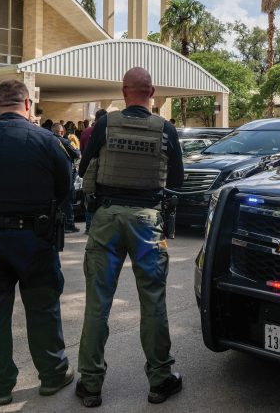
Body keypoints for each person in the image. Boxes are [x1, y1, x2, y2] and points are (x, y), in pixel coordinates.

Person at [0, 80, 74, 405]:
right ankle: (52, 375)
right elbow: (66, 190)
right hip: (35, 239)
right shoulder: (47, 140)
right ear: (27, 104)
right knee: (43, 308)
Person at [76, 67, 184, 407]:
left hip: (107, 218)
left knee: (97, 302)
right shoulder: (166, 130)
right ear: (151, 92)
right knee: (153, 301)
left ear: (124, 92)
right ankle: (160, 380)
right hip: (147, 220)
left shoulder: (106, 124)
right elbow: (177, 180)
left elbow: (83, 169)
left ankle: (91, 385)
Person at [79, 109, 107, 234]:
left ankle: (89, 226)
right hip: (103, 169)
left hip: (89, 169)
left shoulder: (86, 132)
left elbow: (82, 151)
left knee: (89, 198)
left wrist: (82, 171)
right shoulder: (107, 132)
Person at [52, 123, 81, 232]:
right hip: (65, 175)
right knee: (66, 201)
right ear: (62, 132)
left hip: (50, 176)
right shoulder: (65, 142)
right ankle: (69, 224)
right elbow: (78, 154)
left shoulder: (46, 141)